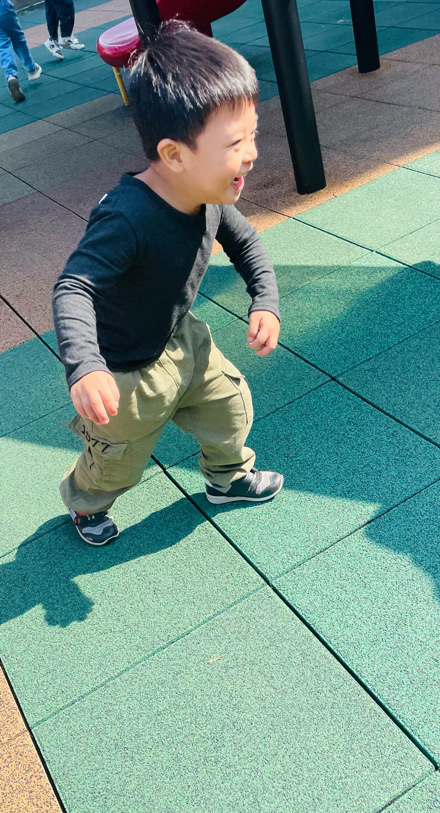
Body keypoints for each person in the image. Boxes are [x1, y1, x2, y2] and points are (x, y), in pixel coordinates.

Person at [52, 22, 283, 547]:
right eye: (235, 143)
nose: (251, 153)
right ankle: (87, 504)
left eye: (253, 135)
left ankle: (227, 478)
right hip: (125, 370)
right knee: (116, 461)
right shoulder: (127, 218)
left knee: (231, 405)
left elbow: (247, 244)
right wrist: (86, 366)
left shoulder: (209, 194)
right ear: (175, 155)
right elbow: (74, 287)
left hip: (182, 337)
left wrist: (265, 300)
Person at [0, 0, 41, 102]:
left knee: (3, 45)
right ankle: (31, 68)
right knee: (18, 39)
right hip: (3, 7)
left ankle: (11, 76)